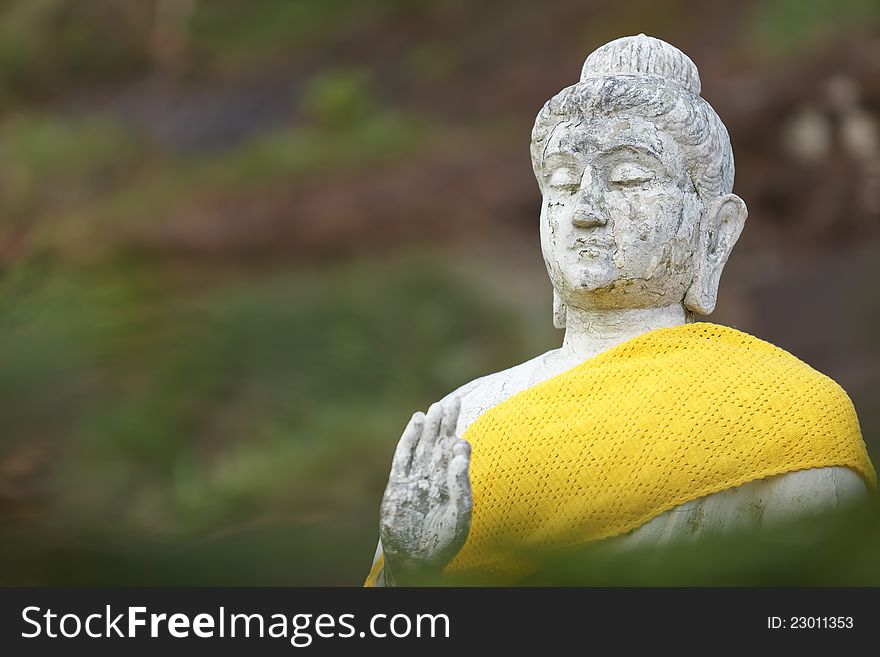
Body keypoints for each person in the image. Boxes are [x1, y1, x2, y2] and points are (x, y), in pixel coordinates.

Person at [365, 35, 876, 586]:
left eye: (629, 178)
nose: (585, 211)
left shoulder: (785, 413)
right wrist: (410, 568)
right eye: (562, 183)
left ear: (715, 231)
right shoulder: (464, 416)